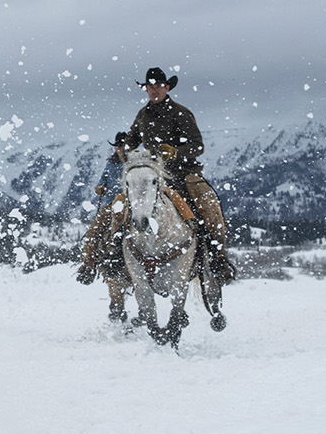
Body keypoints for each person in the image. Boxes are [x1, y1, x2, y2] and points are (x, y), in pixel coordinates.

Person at [126, 66, 234, 283]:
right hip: (152, 176)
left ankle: (217, 255)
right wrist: (126, 150)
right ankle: (115, 255)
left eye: (158, 86)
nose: (154, 90)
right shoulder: (142, 115)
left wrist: (176, 153)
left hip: (184, 174)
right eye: (150, 87)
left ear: (166, 88)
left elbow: (197, 146)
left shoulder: (181, 113)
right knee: (120, 208)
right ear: (145, 89)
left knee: (208, 205)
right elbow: (132, 137)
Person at [76, 132, 130, 285]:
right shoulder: (111, 163)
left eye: (121, 146)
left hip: (129, 203)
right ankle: (88, 263)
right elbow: (103, 180)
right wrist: (100, 187)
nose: (118, 149)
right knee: (95, 229)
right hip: (111, 203)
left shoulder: (133, 163)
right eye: (117, 146)